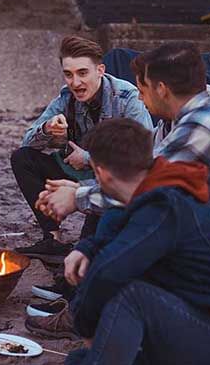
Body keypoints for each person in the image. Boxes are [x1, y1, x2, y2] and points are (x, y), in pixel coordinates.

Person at [33, 118, 210, 365]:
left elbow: (109, 271)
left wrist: (83, 325)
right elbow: (117, 231)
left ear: (100, 173)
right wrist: (87, 248)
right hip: (199, 325)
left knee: (130, 294)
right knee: (78, 360)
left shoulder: (166, 205)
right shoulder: (151, 192)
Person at [38, 42, 210, 264]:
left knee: (127, 225)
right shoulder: (197, 104)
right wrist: (79, 188)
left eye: (142, 89)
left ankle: (82, 302)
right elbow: (146, 166)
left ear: (162, 89)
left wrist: (76, 198)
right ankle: (78, 294)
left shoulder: (202, 126)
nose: (138, 96)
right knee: (120, 216)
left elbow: (144, 187)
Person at [10, 36, 153, 266]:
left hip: (114, 181)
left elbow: (143, 158)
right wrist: (48, 128)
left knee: (88, 252)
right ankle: (53, 238)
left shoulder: (127, 98)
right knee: (23, 158)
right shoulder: (66, 97)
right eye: (69, 74)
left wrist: (87, 158)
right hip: (77, 174)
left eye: (83, 73)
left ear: (100, 70)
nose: (75, 82)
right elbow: (26, 141)